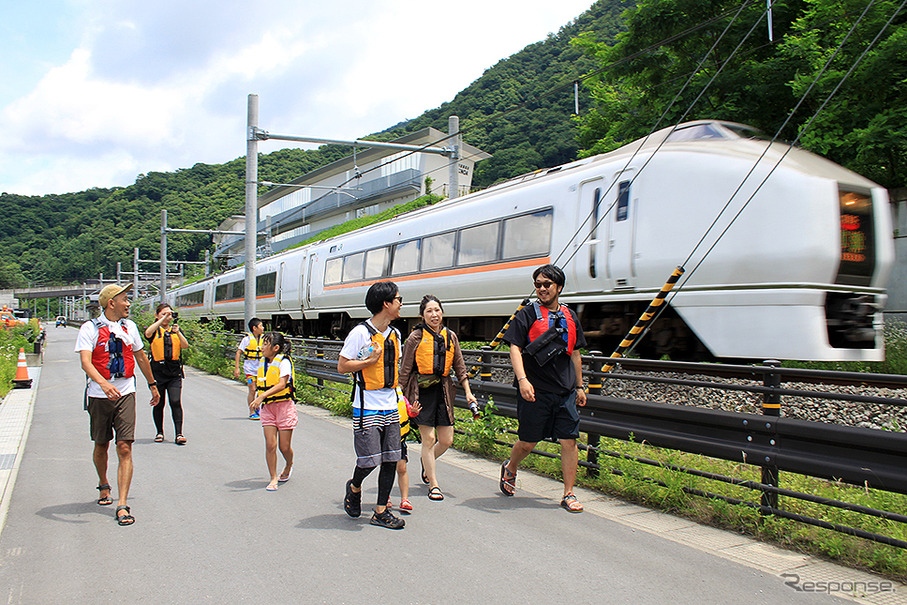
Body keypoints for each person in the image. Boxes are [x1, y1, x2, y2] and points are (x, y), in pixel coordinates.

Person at [500, 264, 588, 513]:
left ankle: (568, 493)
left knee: (569, 441)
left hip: (566, 390)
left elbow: (576, 354)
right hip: (535, 390)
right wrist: (523, 380)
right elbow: (514, 347)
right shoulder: (527, 314)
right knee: (528, 442)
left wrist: (579, 386)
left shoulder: (570, 316)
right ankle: (511, 467)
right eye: (538, 284)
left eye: (546, 284)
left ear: (559, 287)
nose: (541, 289)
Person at [75, 284, 160, 526]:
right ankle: (103, 484)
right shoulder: (89, 328)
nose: (129, 303)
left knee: (124, 446)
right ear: (111, 302)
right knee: (102, 444)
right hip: (99, 395)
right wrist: (102, 383)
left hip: (125, 392)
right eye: (125, 299)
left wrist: (152, 384)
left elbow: (140, 356)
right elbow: (85, 362)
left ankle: (122, 504)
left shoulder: (129, 327)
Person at [337, 281, 406, 530]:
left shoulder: (396, 334)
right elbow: (342, 365)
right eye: (398, 299)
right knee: (368, 460)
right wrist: (370, 361)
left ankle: (380, 512)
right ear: (386, 304)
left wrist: (403, 401)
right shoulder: (360, 333)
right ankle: (354, 487)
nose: (401, 304)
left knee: (391, 458)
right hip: (367, 405)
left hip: (390, 403)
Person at [399, 295, 477, 501]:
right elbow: (405, 371)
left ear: (442, 312)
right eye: (429, 311)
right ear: (422, 315)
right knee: (429, 439)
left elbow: (460, 367)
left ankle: (427, 463)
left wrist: (468, 392)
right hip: (420, 394)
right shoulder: (415, 338)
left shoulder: (450, 336)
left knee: (446, 440)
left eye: (437, 310)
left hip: (443, 392)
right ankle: (434, 484)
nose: (434, 315)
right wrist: (399, 396)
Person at [249, 331, 296, 491]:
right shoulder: (262, 362)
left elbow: (282, 384)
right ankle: (273, 477)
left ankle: (289, 464)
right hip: (268, 408)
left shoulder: (284, 362)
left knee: (284, 447)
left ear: (276, 348)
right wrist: (259, 397)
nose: (261, 347)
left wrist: (261, 397)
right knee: (270, 445)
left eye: (265, 344)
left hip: (284, 407)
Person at [144, 303, 189, 445]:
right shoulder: (155, 331)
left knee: (175, 401)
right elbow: (147, 334)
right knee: (159, 403)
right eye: (164, 314)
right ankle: (159, 432)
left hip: (174, 372)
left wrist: (178, 332)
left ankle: (179, 434)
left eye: (169, 314)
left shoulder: (175, 330)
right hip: (157, 372)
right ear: (157, 315)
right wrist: (160, 320)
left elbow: (185, 345)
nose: (168, 317)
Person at [389, 389, 420, 512]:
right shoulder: (380, 394)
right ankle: (385, 497)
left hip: (399, 439)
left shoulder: (400, 395)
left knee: (402, 469)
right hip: (386, 439)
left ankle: (405, 499)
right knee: (387, 468)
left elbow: (408, 411)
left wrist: (413, 412)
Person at [234, 318, 264, 420]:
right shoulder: (246, 339)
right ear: (254, 328)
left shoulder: (264, 339)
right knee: (252, 389)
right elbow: (239, 352)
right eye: (261, 326)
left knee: (261, 391)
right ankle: (252, 411)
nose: (263, 328)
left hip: (261, 370)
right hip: (249, 370)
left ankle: (258, 408)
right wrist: (237, 368)